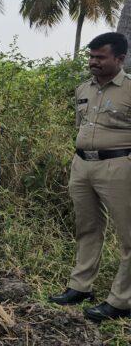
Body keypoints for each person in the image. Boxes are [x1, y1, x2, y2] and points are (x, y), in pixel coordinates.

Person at [50, 32, 131, 322]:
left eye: (100, 57)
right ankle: (81, 287)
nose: (93, 62)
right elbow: (81, 124)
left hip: (119, 166)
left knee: (128, 236)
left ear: (119, 59)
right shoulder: (83, 88)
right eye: (91, 56)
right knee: (87, 228)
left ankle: (122, 300)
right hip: (83, 165)